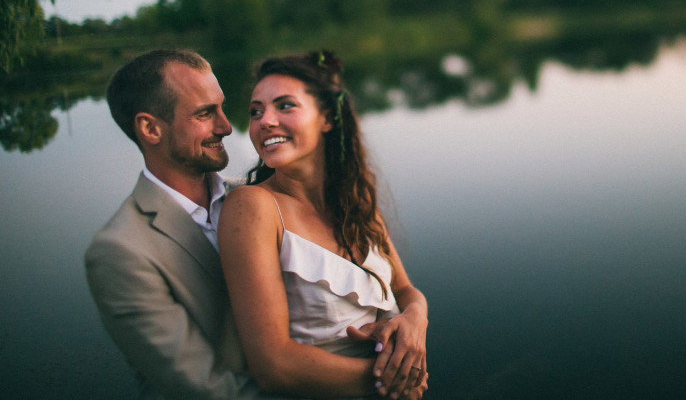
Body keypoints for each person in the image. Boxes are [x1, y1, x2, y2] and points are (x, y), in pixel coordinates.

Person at [218, 51, 429, 399]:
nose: (265, 121)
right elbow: (274, 366)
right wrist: (394, 378)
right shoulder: (254, 207)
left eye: (284, 106)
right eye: (256, 111)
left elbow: (406, 290)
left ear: (327, 118)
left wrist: (416, 320)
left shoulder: (355, 200)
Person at [85, 49, 264, 399]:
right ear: (150, 128)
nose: (226, 127)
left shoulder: (257, 197)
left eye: (222, 107)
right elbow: (207, 389)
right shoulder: (120, 252)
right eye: (205, 113)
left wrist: (407, 309)